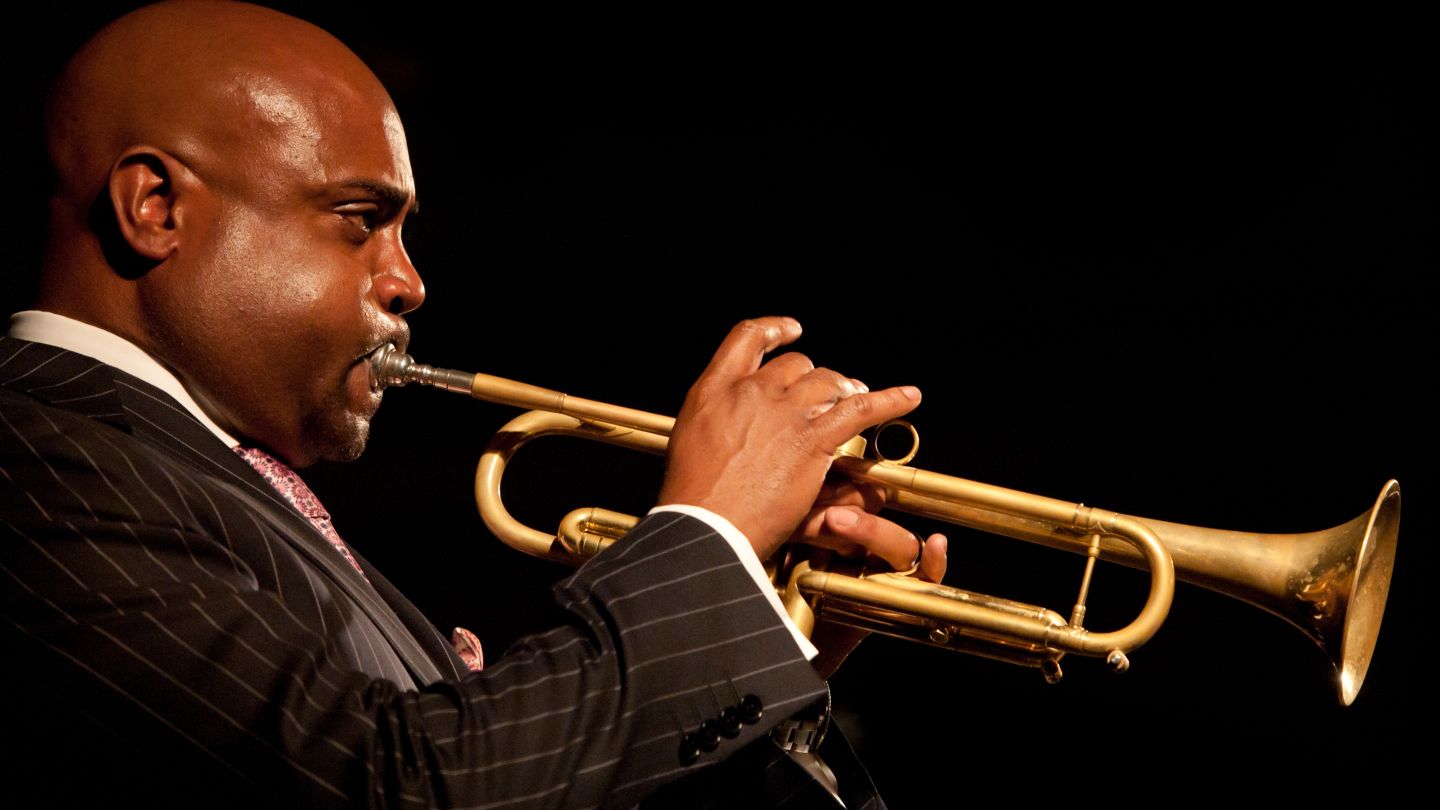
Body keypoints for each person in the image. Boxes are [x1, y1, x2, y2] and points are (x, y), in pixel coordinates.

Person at [0, 2, 946, 807]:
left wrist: (751, 633)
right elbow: (402, 786)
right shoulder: (32, 457)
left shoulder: (211, 479)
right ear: (155, 207)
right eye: (360, 222)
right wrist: (708, 540)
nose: (408, 282)